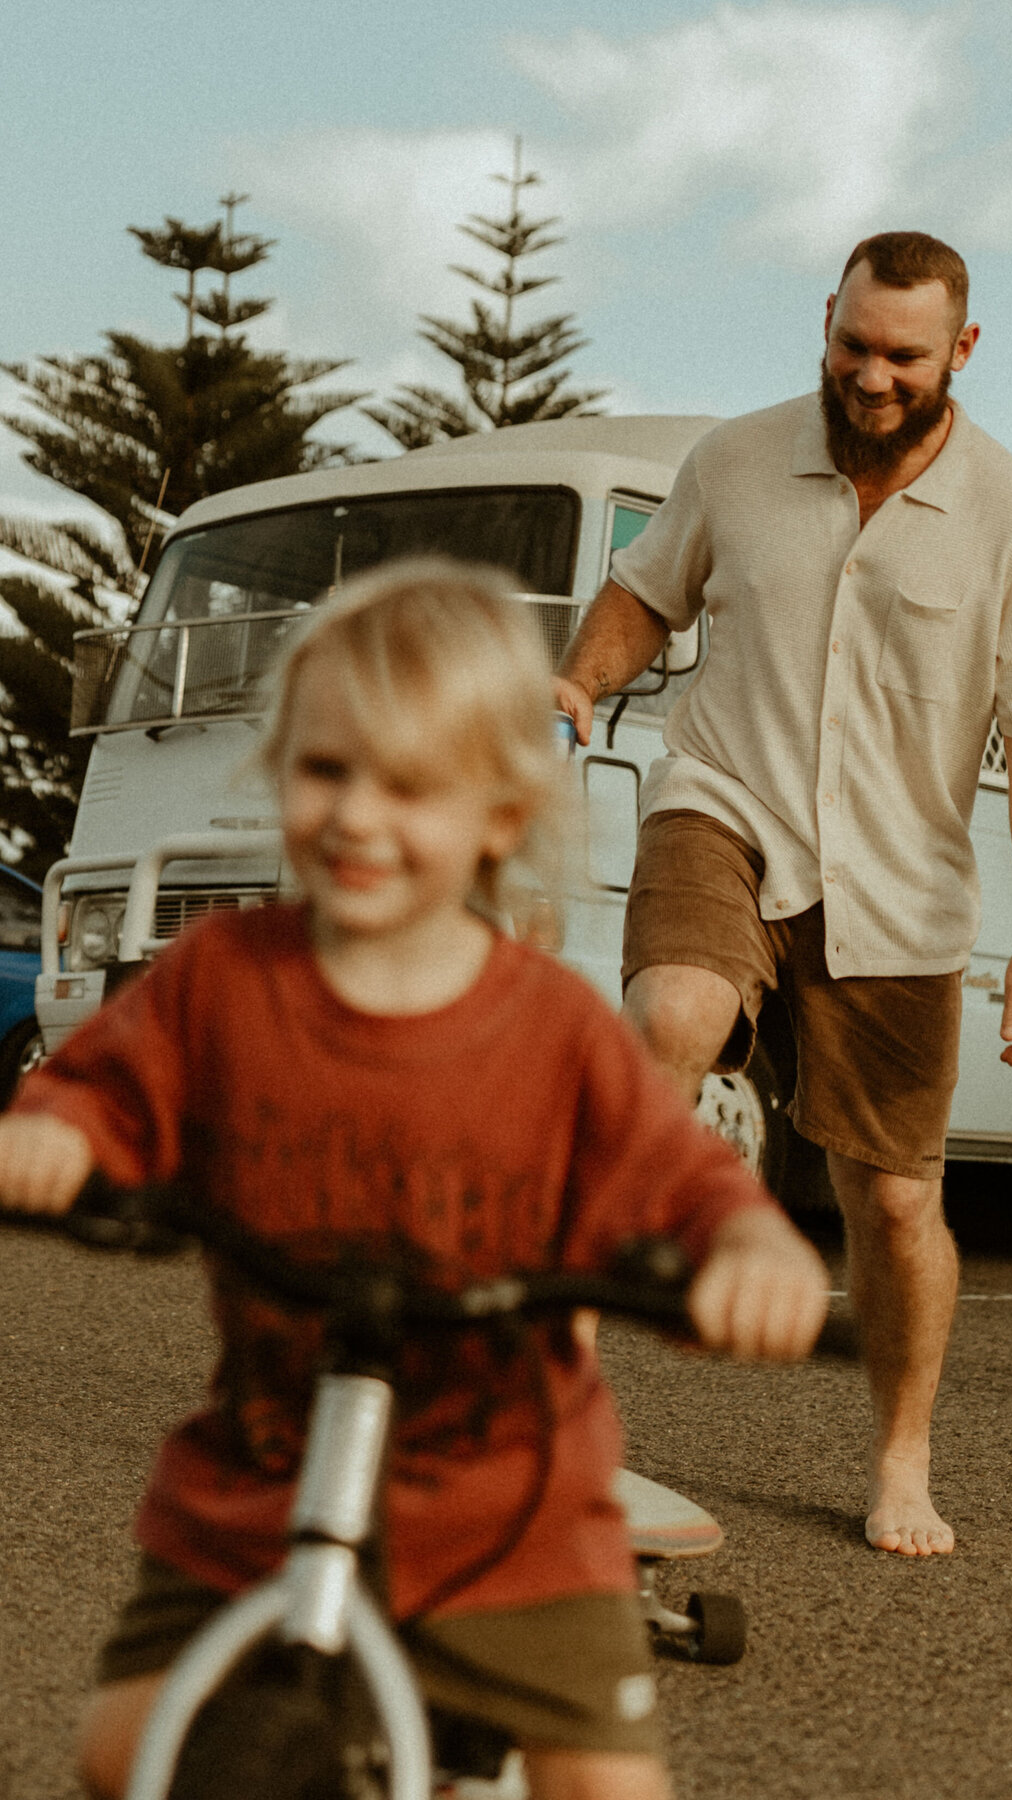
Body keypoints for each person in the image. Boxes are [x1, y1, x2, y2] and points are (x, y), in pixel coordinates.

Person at [0, 558, 829, 1800]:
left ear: (500, 817)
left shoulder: (550, 1030)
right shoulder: (227, 979)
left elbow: (678, 1182)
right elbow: (102, 1088)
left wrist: (750, 1257)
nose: (358, 818)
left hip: (510, 1518)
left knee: (610, 1788)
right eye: (325, 771)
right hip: (260, 1483)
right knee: (125, 1754)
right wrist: (54, 1136)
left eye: (412, 788)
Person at [555, 232, 1012, 1560]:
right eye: (852, 344)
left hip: (900, 887)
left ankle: (902, 1460)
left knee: (897, 1204)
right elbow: (645, 594)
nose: (870, 375)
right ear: (828, 321)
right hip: (726, 805)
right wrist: (580, 681)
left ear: (960, 353)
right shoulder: (735, 462)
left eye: (902, 356)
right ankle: (544, 1404)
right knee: (671, 1017)